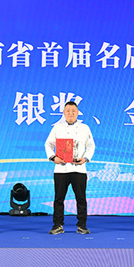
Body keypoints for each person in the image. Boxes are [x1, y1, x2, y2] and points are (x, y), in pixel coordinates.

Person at [45, 101, 95, 235]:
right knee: (59, 199)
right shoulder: (57, 128)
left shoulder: (85, 128)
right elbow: (48, 144)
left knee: (81, 198)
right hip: (61, 169)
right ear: (64, 113)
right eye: (68, 111)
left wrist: (85, 158)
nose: (71, 113)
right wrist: (53, 157)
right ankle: (57, 225)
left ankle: (82, 225)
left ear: (78, 112)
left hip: (79, 169)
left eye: (73, 111)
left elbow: (91, 146)